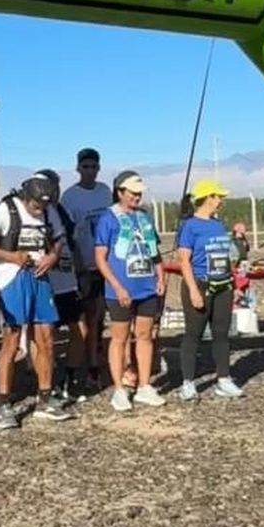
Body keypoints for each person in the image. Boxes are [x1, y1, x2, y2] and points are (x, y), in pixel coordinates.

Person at [0, 176, 75, 429]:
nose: (39, 210)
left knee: (46, 338)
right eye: (35, 205)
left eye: (43, 205)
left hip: (41, 277)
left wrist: (53, 257)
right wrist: (11, 256)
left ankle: (44, 398)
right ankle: (4, 404)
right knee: (12, 340)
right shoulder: (6, 210)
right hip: (12, 279)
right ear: (25, 197)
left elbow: (60, 238)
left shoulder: (49, 211)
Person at [94, 171, 166, 412]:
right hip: (121, 291)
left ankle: (145, 385)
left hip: (147, 287)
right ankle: (119, 389)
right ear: (120, 192)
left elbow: (154, 251)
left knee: (145, 335)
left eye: (139, 193)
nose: (137, 197)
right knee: (119, 338)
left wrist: (161, 276)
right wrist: (116, 285)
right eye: (133, 193)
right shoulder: (108, 218)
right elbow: (101, 258)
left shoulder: (145, 218)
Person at [176, 180, 243, 401]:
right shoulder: (190, 226)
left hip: (223, 284)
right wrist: (194, 290)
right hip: (201, 283)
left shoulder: (218, 225)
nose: (221, 201)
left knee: (221, 334)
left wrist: (234, 283)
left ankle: (224, 378)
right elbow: (184, 260)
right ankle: (188, 383)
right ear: (208, 198)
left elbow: (225, 256)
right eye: (218, 197)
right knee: (193, 334)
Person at [61, 148, 113, 392]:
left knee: (99, 318)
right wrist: (78, 264)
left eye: (93, 166)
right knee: (86, 320)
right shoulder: (70, 197)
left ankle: (96, 364)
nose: (90, 171)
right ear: (78, 168)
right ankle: (83, 366)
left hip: (108, 266)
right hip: (83, 266)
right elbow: (67, 236)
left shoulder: (105, 192)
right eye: (85, 167)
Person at [34, 169, 86, 400]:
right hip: (47, 282)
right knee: (45, 337)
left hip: (68, 281)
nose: (52, 192)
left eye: (55, 186)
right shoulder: (34, 214)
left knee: (81, 329)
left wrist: (80, 271)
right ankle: (46, 383)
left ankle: (70, 377)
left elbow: (70, 242)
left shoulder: (61, 212)